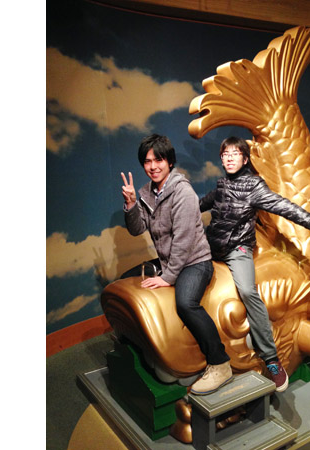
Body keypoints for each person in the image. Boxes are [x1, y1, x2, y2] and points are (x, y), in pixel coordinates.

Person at [200, 136, 310, 392]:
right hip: (211, 247)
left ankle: (272, 359)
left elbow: (282, 206)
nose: (230, 158)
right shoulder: (222, 185)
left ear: (245, 159)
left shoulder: (253, 186)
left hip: (237, 250)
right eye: (225, 154)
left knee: (248, 291)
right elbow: (200, 204)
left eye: (235, 154)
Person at [119, 134, 232, 395]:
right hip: (167, 261)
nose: (153, 166)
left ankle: (220, 363)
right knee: (125, 280)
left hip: (195, 261)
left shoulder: (182, 191)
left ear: (169, 162)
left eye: (158, 160)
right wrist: (131, 204)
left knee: (186, 303)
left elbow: (184, 240)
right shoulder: (146, 193)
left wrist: (167, 277)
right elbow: (137, 229)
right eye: (147, 161)